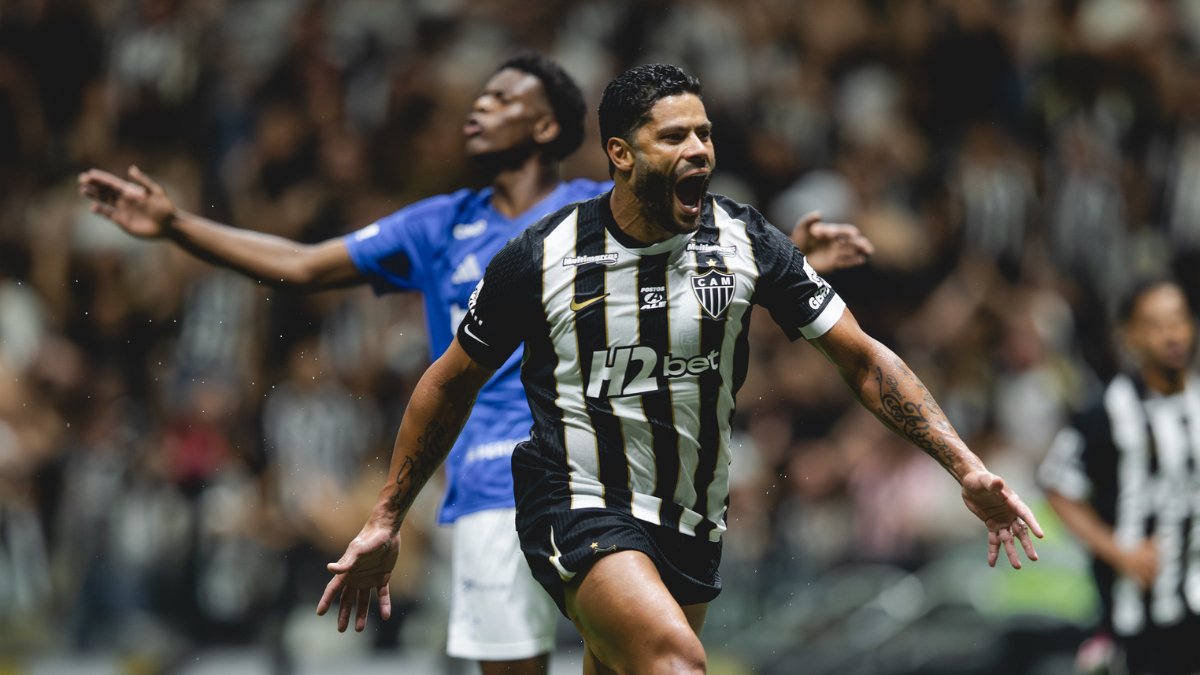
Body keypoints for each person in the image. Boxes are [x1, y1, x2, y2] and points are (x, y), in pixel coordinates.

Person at [78, 55, 871, 674]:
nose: (476, 109)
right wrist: (178, 223)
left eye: (500, 99)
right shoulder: (438, 226)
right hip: (496, 489)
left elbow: (706, 265)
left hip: (614, 494)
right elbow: (302, 263)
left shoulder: (612, 203)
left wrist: (792, 259)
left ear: (548, 125)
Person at [317, 63, 1042, 674]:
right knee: (677, 663)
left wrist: (964, 466)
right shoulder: (542, 257)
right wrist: (386, 517)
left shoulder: (746, 240)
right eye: (675, 136)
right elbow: (448, 381)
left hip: (692, 520)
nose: (699, 148)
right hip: (576, 503)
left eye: (705, 133)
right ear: (623, 154)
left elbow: (863, 360)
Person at [1039, 277, 1200, 675]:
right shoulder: (1106, 410)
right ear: (1129, 334)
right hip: (1137, 614)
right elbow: (1057, 486)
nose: (1171, 335)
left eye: (1178, 320)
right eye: (1155, 324)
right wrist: (1117, 550)